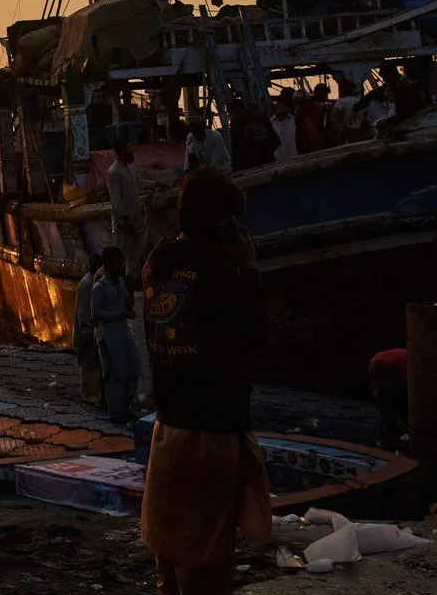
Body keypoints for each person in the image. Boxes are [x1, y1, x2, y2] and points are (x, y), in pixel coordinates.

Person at [141, 168, 272, 595]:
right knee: (208, 559)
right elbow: (256, 335)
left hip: (168, 426)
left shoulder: (156, 265)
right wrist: (248, 270)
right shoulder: (219, 273)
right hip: (212, 433)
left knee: (170, 551)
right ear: (225, 226)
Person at [93, 246, 140, 425]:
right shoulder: (100, 287)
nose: (122, 266)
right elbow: (95, 313)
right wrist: (118, 314)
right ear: (109, 265)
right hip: (108, 335)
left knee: (132, 370)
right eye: (118, 263)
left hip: (122, 332)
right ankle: (116, 413)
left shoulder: (121, 284)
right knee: (115, 376)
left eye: (122, 263)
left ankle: (125, 409)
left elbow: (128, 305)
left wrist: (130, 291)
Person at [107, 141, 145, 272]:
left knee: (139, 248)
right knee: (121, 254)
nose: (131, 150)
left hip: (136, 220)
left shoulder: (129, 168)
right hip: (124, 223)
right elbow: (116, 199)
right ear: (122, 150)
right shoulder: (114, 172)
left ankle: (130, 277)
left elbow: (139, 183)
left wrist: (158, 183)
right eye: (128, 147)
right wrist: (124, 218)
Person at [75, 253, 104, 406]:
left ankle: (92, 393)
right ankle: (90, 395)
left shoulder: (89, 282)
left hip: (88, 331)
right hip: (87, 332)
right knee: (89, 364)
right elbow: (83, 313)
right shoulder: (88, 284)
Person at [367, 348, 408, 452]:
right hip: (391, 366)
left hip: (375, 362)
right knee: (398, 402)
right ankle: (396, 440)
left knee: (383, 401)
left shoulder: (405, 354)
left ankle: (387, 439)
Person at [227, 95, 278, 170]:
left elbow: (273, 141)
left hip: (257, 165)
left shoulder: (256, 122)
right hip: (261, 164)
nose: (231, 117)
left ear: (238, 110)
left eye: (232, 114)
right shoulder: (237, 124)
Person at [267, 91, 299, 165]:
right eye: (285, 106)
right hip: (278, 161)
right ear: (278, 105)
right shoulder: (270, 123)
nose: (287, 109)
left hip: (295, 158)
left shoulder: (294, 120)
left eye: (289, 107)